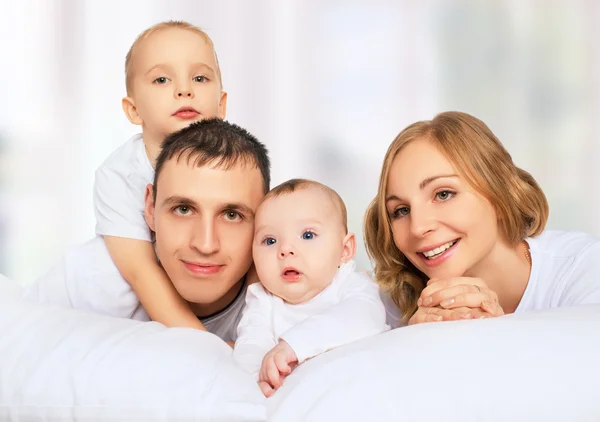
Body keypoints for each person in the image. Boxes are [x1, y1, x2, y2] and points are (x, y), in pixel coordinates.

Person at [24, 119, 270, 343]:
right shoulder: (92, 279)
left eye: (231, 215)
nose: (205, 245)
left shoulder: (290, 287)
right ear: (150, 208)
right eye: (183, 209)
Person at [364, 111, 600, 326]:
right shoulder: (383, 307)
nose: (418, 227)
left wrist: (494, 333)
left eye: (443, 194)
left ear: (500, 192)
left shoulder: (583, 268)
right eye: (401, 210)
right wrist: (416, 340)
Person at [95, 21, 228, 329]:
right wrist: (213, 349)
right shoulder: (119, 175)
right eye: (162, 80)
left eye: (199, 77)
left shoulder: (237, 166)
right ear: (133, 110)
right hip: (95, 297)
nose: (185, 90)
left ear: (221, 104)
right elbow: (142, 274)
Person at [234, 179, 388, 397]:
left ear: (344, 250)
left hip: (359, 387)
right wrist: (255, 380)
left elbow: (366, 316)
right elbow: (250, 345)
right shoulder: (263, 299)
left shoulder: (349, 283)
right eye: (269, 241)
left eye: (307, 235)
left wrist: (294, 345)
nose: (285, 249)